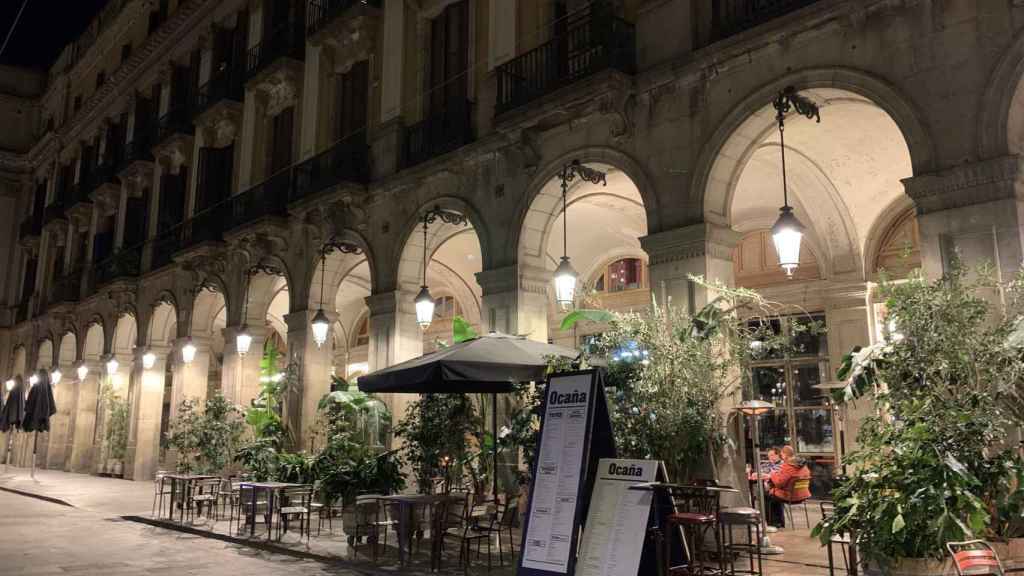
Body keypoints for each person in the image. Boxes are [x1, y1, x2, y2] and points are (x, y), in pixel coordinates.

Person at [765, 446, 811, 530]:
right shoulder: (803, 465)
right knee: (774, 495)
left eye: (782, 454)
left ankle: (773, 524)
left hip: (791, 496)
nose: (781, 457)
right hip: (803, 495)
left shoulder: (788, 465)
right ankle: (779, 523)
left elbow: (779, 483)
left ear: (785, 455)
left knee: (768, 496)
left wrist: (772, 474)